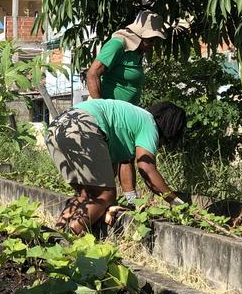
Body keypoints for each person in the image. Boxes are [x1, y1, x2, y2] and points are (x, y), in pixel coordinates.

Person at [46, 99, 186, 234]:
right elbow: (146, 168)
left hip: (58, 128)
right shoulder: (150, 124)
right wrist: (176, 202)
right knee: (105, 196)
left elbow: (116, 168)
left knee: (86, 195)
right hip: (83, 126)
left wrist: (131, 201)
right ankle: (69, 238)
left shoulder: (130, 121)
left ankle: (55, 237)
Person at [85, 10, 167, 206]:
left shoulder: (137, 53)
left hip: (124, 116)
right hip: (107, 114)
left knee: (125, 155)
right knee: (109, 164)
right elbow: (92, 74)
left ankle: (130, 201)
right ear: (140, 36)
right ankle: (95, 205)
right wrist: (103, 108)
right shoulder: (117, 45)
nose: (152, 45)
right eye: (151, 40)